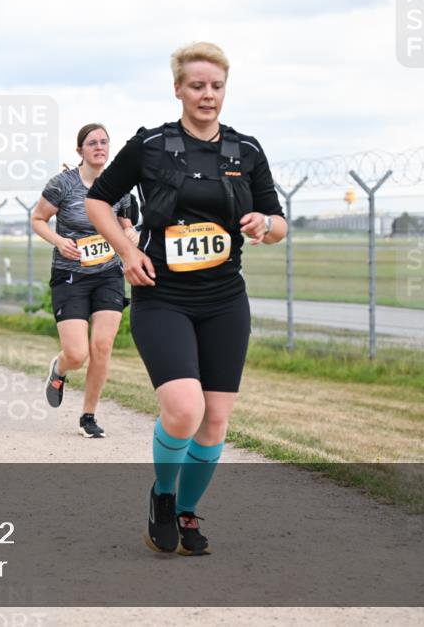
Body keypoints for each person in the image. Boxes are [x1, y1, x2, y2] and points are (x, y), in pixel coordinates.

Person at [86, 42, 287, 556]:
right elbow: (97, 200)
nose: (207, 95)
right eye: (197, 85)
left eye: (216, 86)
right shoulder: (151, 144)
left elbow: (279, 220)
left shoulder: (247, 151)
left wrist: (266, 224)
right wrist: (126, 250)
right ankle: (163, 493)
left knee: (216, 419)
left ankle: (187, 510)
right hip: (162, 296)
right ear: (178, 88)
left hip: (224, 299)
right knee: (183, 410)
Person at [31, 123, 138, 439]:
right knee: (77, 354)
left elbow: (126, 225)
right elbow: (38, 219)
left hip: (108, 273)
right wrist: (58, 241)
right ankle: (60, 369)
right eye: (93, 142)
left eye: (105, 142)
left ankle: (88, 416)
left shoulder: (119, 187)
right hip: (70, 275)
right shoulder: (62, 184)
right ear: (80, 150)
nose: (100, 147)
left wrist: (129, 234)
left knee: (102, 347)